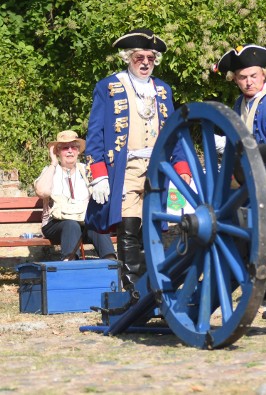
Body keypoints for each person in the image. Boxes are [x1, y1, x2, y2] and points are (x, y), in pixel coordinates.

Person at [85, 28, 191, 290]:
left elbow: (173, 132)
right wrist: (98, 172)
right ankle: (132, 285)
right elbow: (95, 131)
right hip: (125, 165)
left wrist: (182, 168)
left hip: (157, 166)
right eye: (139, 57)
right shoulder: (109, 86)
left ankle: (154, 282)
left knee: (154, 226)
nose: (145, 63)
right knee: (129, 225)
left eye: (150, 58)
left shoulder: (163, 89)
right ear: (128, 58)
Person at [215, 44, 266, 321]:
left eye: (253, 76)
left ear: (264, 75)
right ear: (235, 80)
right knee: (240, 232)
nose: (248, 82)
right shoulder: (241, 103)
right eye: (242, 77)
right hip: (250, 181)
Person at [34, 130, 116, 261]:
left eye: (74, 147)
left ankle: (111, 266)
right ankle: (71, 265)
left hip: (83, 222)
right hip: (56, 224)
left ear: (78, 151)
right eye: (65, 148)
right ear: (58, 152)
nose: (70, 151)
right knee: (71, 225)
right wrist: (53, 163)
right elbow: (42, 192)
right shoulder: (50, 170)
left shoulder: (86, 170)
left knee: (98, 226)